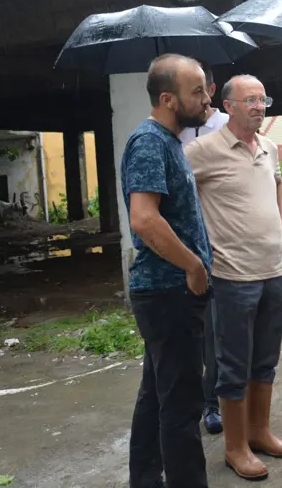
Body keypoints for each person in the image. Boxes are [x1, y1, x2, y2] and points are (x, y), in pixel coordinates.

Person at [185, 74, 282, 480]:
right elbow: (179, 196)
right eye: (249, 100)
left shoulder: (267, 147)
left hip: (274, 272)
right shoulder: (203, 150)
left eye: (262, 98)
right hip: (232, 275)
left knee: (265, 360)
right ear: (227, 105)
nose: (258, 105)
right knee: (233, 366)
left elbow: (280, 185)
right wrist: (197, 245)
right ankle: (235, 447)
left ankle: (260, 432)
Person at [121, 54, 213, 488]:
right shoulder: (149, 142)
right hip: (168, 292)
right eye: (196, 90)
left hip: (169, 292)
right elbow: (144, 218)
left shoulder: (169, 141)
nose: (206, 97)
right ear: (167, 98)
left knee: (156, 397)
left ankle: (145, 480)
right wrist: (193, 266)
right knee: (181, 405)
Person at [178, 62, 227, 435]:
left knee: (213, 331)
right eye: (193, 91)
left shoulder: (225, 126)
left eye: (203, 89)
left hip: (217, 244)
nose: (203, 97)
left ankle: (212, 403)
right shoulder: (170, 134)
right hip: (179, 242)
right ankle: (185, 401)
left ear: (212, 88)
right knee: (183, 332)